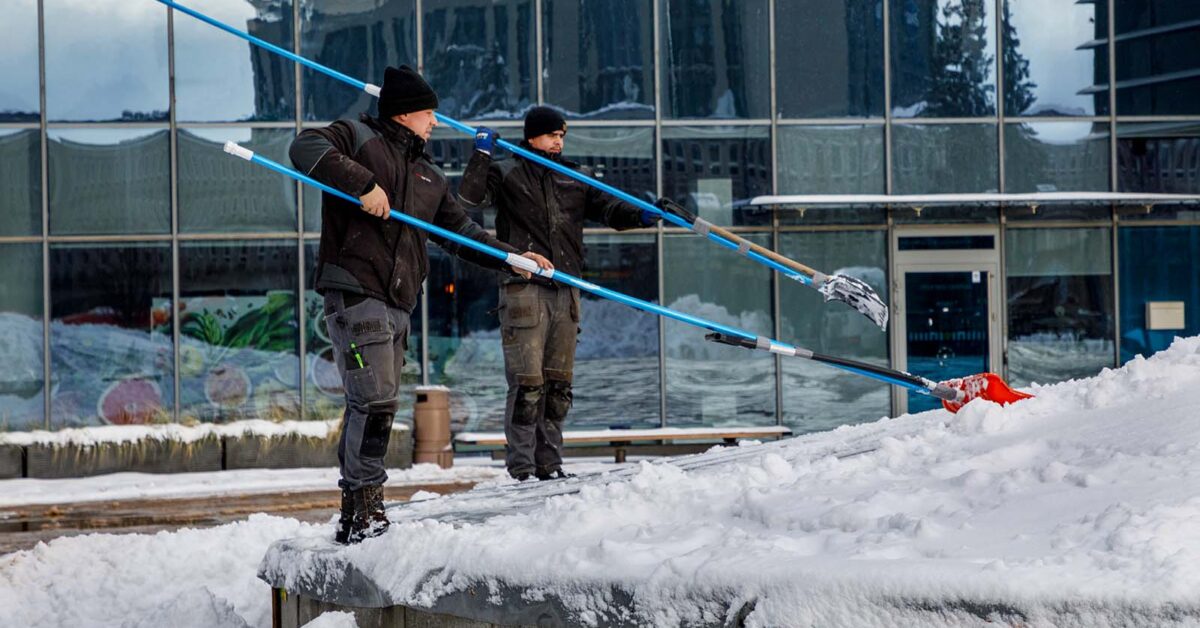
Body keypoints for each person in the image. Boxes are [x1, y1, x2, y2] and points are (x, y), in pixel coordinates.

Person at [289, 66, 552, 544]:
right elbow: (305, 147)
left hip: (398, 299)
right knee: (375, 401)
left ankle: (356, 509)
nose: (435, 123)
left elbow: (461, 233)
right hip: (356, 289)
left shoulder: (427, 174)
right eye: (429, 113)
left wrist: (512, 258)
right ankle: (366, 507)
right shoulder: (358, 137)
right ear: (406, 112)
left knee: (372, 402)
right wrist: (362, 186)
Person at [457, 106, 663, 482]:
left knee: (558, 386)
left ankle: (550, 463)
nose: (558, 141)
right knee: (528, 383)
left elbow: (611, 209)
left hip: (567, 290)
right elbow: (469, 199)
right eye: (552, 134)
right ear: (532, 136)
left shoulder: (574, 177)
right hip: (525, 289)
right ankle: (521, 467)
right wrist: (482, 155)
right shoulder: (508, 172)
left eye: (562, 135)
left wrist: (645, 214)